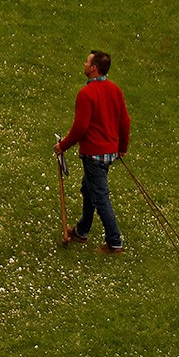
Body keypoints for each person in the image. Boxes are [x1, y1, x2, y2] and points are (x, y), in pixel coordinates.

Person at [54, 50, 131, 253]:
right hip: (109, 152)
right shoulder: (115, 89)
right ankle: (82, 230)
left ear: (94, 68)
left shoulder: (86, 94)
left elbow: (80, 128)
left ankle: (115, 242)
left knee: (99, 196)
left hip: (94, 154)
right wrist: (122, 148)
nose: (84, 64)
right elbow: (125, 121)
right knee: (88, 189)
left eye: (87, 62)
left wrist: (62, 146)